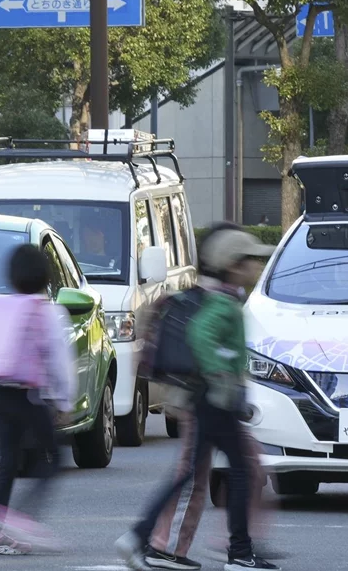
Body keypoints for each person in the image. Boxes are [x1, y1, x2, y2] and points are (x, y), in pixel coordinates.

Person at [117, 228, 279, 571]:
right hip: (213, 399)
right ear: (234, 265)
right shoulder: (223, 302)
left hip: (207, 398)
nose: (256, 267)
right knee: (228, 470)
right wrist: (221, 378)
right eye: (251, 260)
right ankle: (230, 552)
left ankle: (142, 536)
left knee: (209, 470)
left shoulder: (224, 297)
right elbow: (202, 336)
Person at [142, 221, 242, 571]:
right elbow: (205, 341)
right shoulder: (218, 298)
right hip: (201, 397)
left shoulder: (198, 294)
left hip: (191, 394)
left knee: (198, 472)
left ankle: (166, 545)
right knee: (193, 476)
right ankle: (163, 546)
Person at [0, 244, 77, 555]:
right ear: (46, 277)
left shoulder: (3, 308)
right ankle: (21, 516)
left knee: (8, 461)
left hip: (1, 394)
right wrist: (64, 402)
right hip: (30, 397)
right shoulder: (50, 313)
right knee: (54, 459)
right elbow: (59, 361)